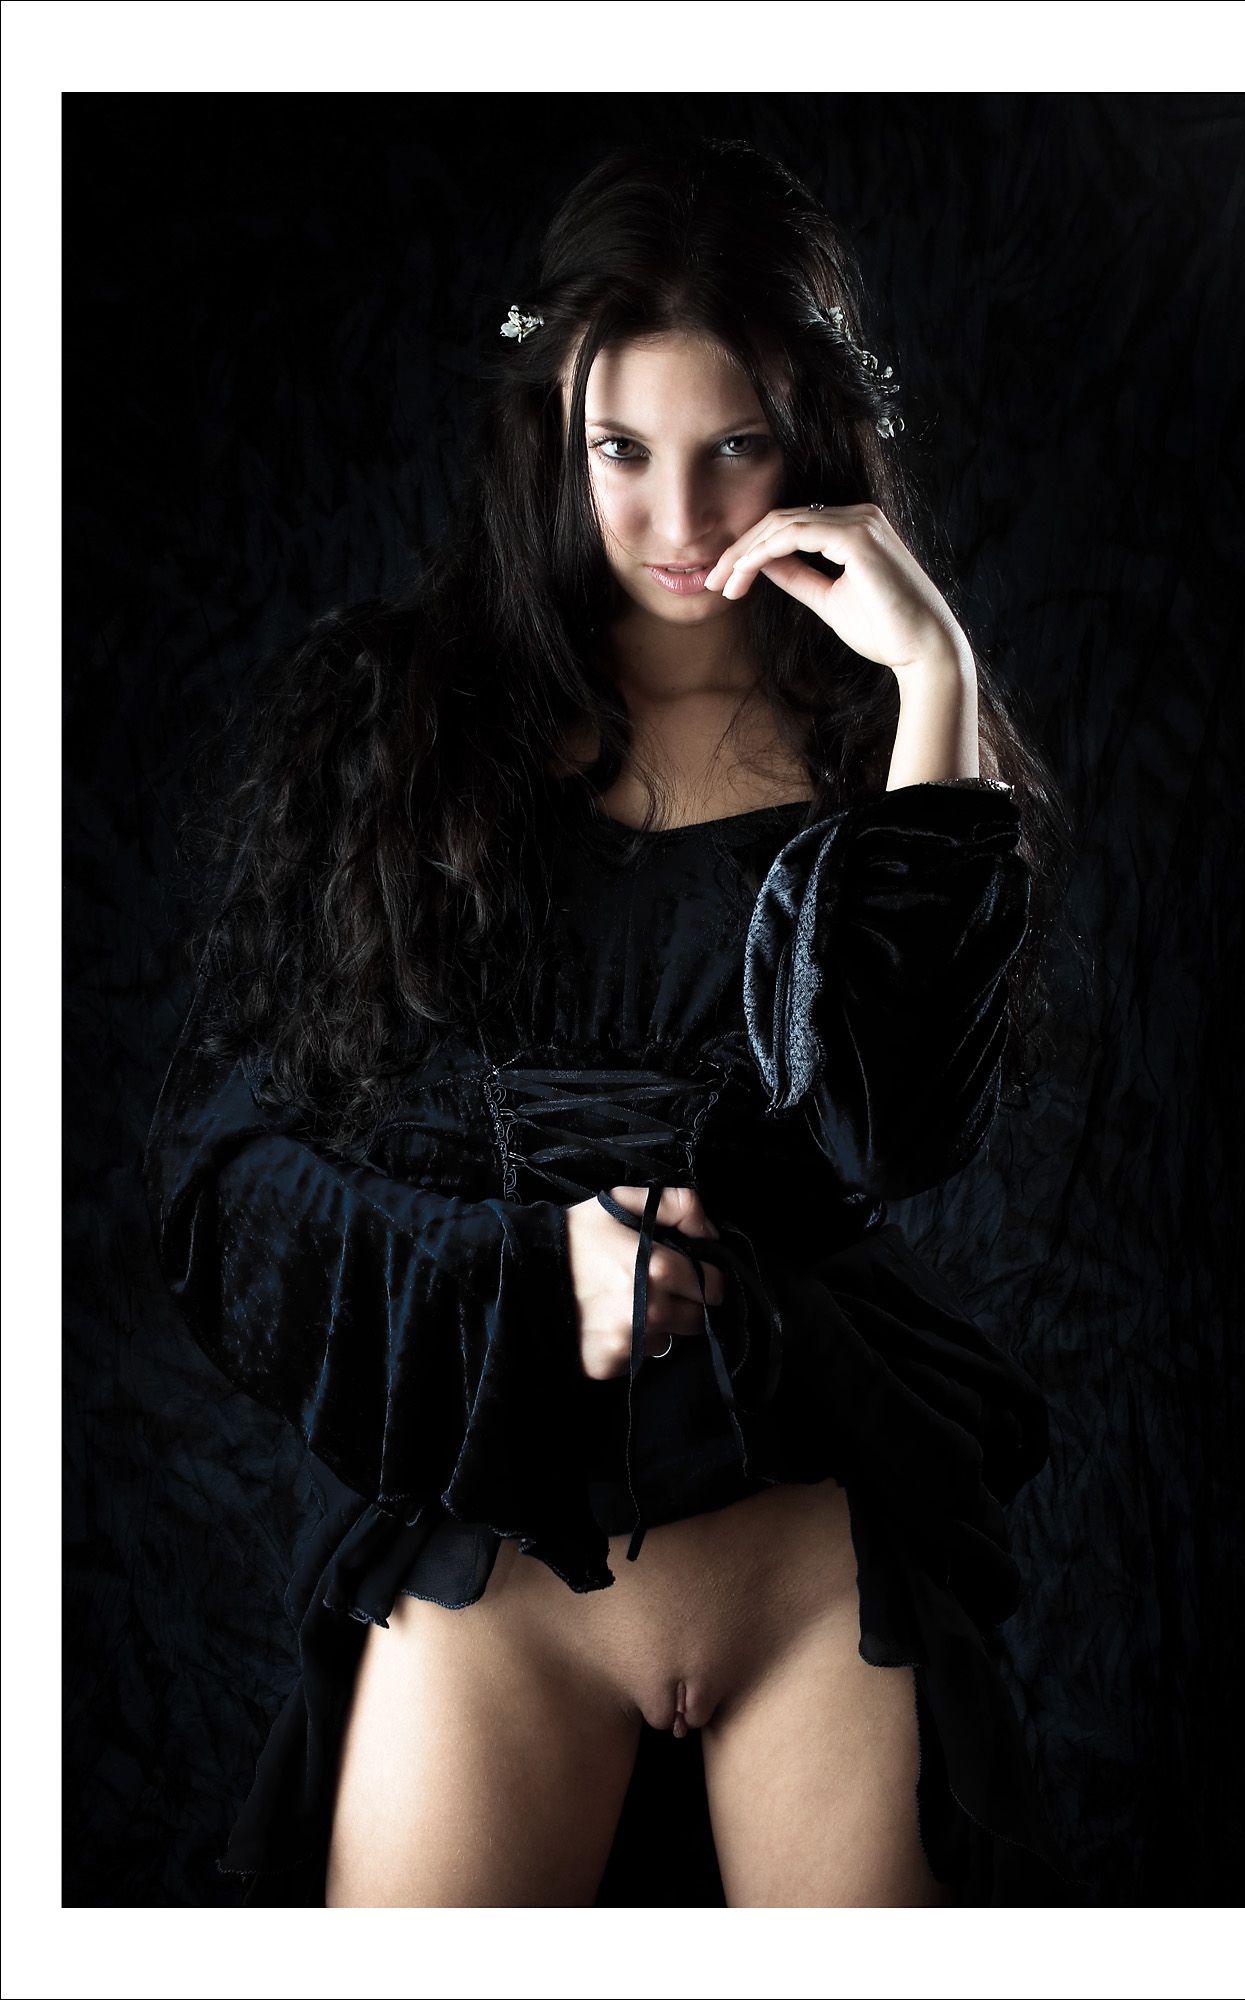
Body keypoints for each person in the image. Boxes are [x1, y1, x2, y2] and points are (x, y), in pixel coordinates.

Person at [141, 137, 1084, 1907]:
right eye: (621, 451)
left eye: (734, 445)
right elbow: (222, 1187)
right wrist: (529, 1282)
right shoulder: (395, 731)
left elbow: (893, 1137)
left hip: (803, 1564)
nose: (679, 518)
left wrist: (931, 685)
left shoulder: (884, 747)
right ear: (552, 438)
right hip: (499, 1576)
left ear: (810, 434)